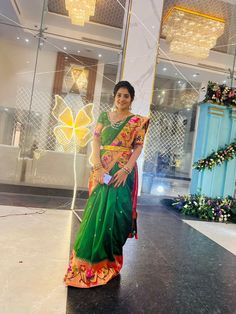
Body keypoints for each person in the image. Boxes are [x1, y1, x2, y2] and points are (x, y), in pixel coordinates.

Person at [64, 81, 149, 288]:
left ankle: (109, 260)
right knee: (96, 212)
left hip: (122, 172)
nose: (122, 99)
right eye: (119, 95)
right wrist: (97, 166)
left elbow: (137, 148)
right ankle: (87, 261)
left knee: (117, 214)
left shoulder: (138, 121)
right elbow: (95, 140)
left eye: (126, 96)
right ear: (114, 96)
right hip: (102, 170)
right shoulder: (104, 117)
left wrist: (126, 168)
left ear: (131, 98)